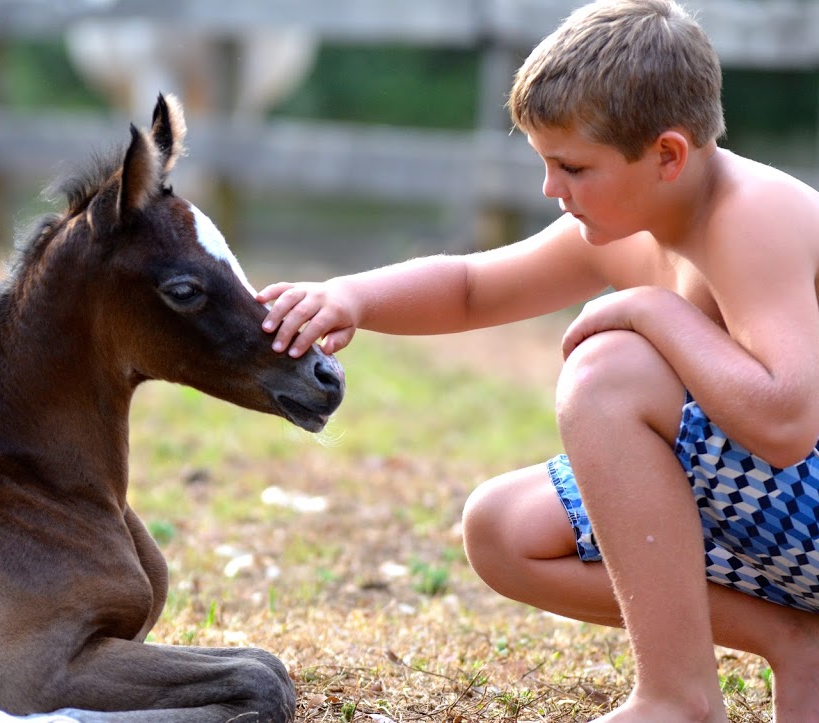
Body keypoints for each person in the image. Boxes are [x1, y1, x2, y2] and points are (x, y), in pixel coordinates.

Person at [256, 1, 819, 720]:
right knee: (502, 526)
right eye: (546, 164)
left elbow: (787, 421)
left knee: (609, 372)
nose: (551, 189)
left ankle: (676, 697)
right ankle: (793, 639)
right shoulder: (635, 221)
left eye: (572, 166)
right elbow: (471, 288)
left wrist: (653, 310)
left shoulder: (753, 217)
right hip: (781, 517)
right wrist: (349, 297)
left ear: (668, 155)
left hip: (804, 491)